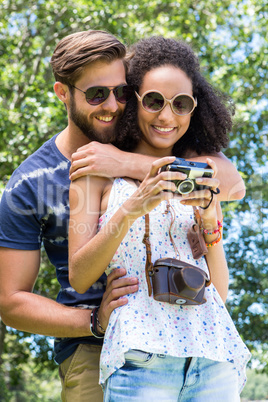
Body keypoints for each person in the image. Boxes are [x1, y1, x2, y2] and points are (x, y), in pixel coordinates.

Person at [0, 29, 244, 402]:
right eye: (97, 94)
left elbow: (231, 185)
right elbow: (12, 300)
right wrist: (96, 322)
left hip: (194, 338)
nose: (113, 105)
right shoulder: (32, 182)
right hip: (94, 345)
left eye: (122, 92)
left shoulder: (165, 144)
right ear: (62, 93)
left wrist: (127, 162)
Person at [68, 36, 251, 401]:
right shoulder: (97, 166)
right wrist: (132, 206)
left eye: (180, 104)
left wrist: (211, 219)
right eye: (153, 101)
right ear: (133, 99)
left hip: (213, 357)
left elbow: (221, 291)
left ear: (194, 109)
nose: (166, 116)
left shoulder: (198, 172)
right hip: (140, 360)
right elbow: (80, 275)